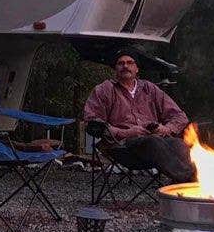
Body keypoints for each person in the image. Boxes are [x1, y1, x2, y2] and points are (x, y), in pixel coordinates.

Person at [80, 54, 195, 182]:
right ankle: (189, 181)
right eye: (121, 63)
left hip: (154, 145)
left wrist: (165, 129)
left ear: (137, 68)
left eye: (130, 63)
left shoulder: (149, 88)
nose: (125, 66)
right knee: (153, 142)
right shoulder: (105, 89)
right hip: (122, 148)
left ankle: (187, 183)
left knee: (179, 144)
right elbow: (93, 123)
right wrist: (126, 132)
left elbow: (179, 116)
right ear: (115, 68)